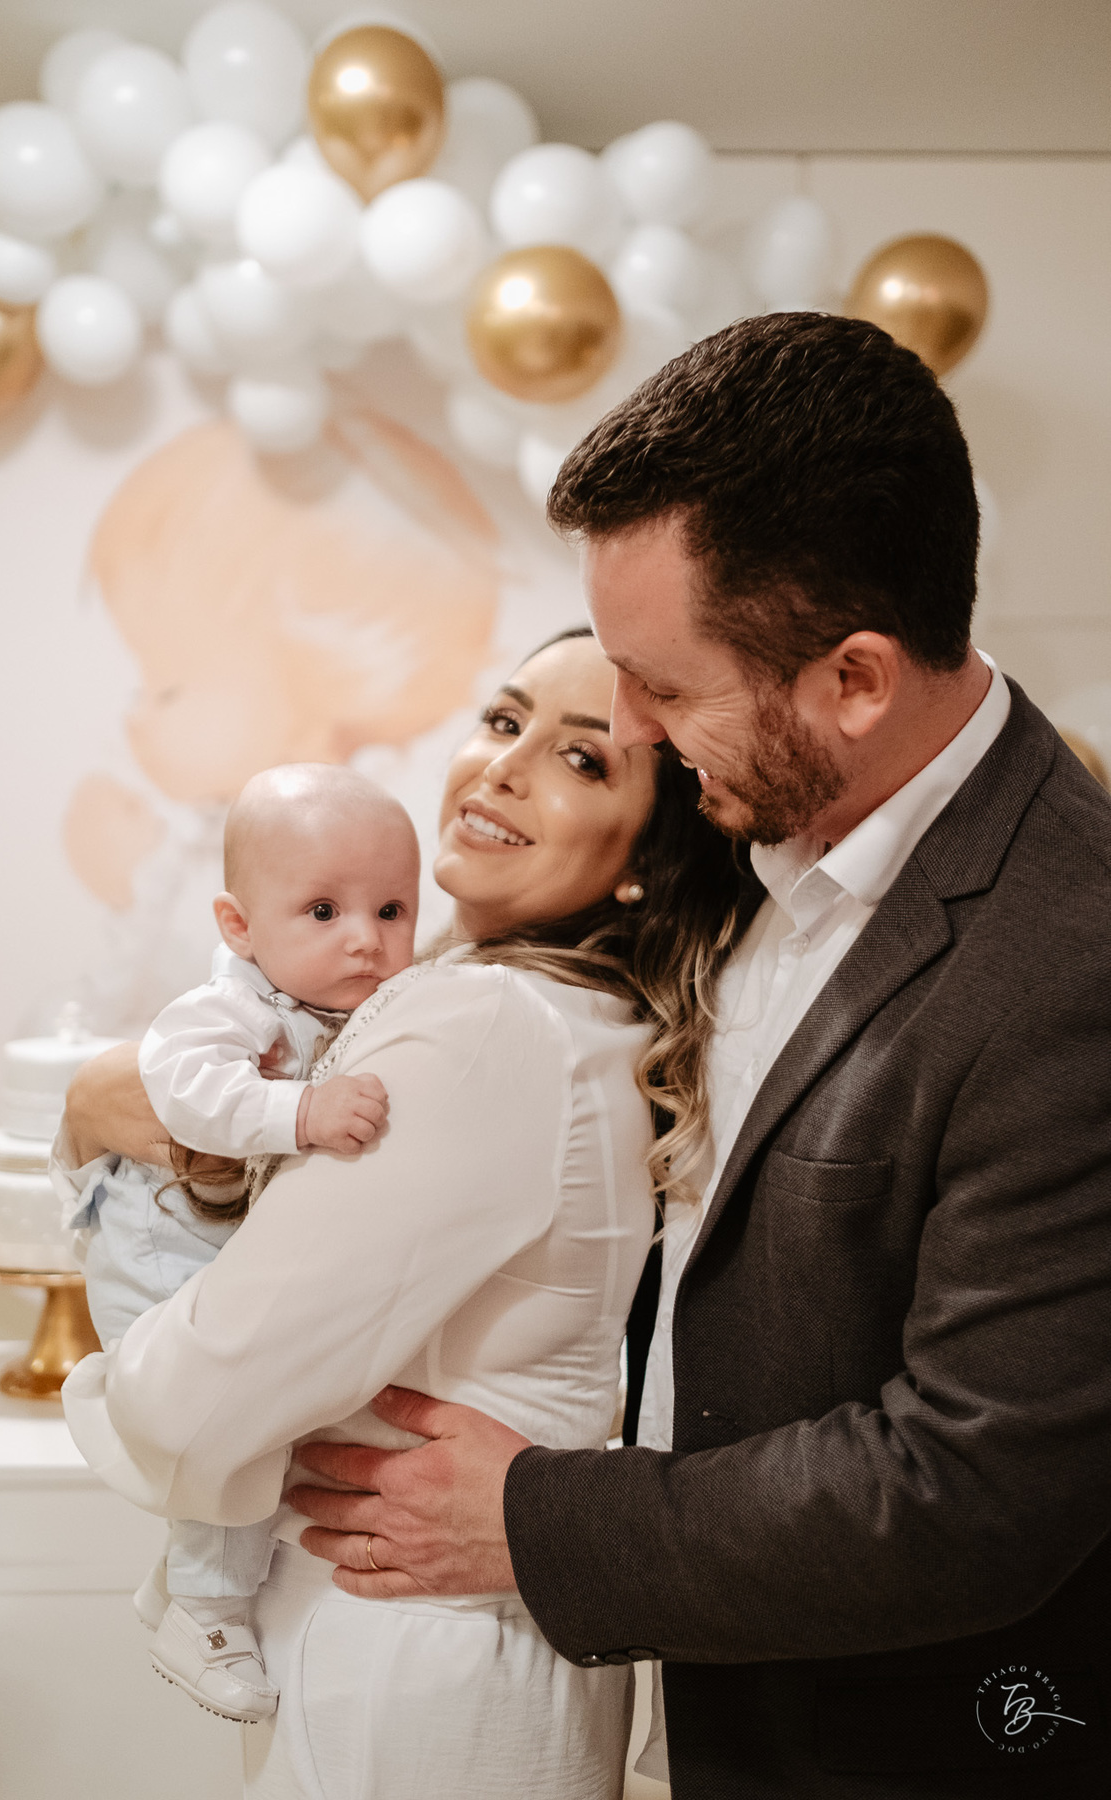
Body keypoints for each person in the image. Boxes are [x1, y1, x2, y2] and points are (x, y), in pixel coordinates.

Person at [281, 314, 1111, 1800]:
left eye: (662, 688)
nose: (640, 734)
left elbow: (973, 1490)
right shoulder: (753, 839)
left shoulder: (1074, 953)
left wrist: (535, 1525)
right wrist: (144, 1100)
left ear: (853, 680)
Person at [59, 628, 745, 1798]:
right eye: (503, 720)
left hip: (413, 1661)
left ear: (645, 857)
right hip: (454, 1652)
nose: (506, 767)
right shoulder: (582, 1018)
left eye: (584, 762)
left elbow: (204, 1389)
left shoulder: (488, 1026)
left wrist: (120, 1371)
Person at [62, 764, 420, 1722]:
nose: (366, 938)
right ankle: (207, 1615)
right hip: (157, 1254)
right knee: (230, 1426)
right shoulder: (231, 1010)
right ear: (238, 928)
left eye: (392, 908)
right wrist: (301, 1111)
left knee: (268, 1432)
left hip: (217, 1257)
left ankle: (184, 1583)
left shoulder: (351, 1006)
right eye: (322, 910)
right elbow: (185, 1093)